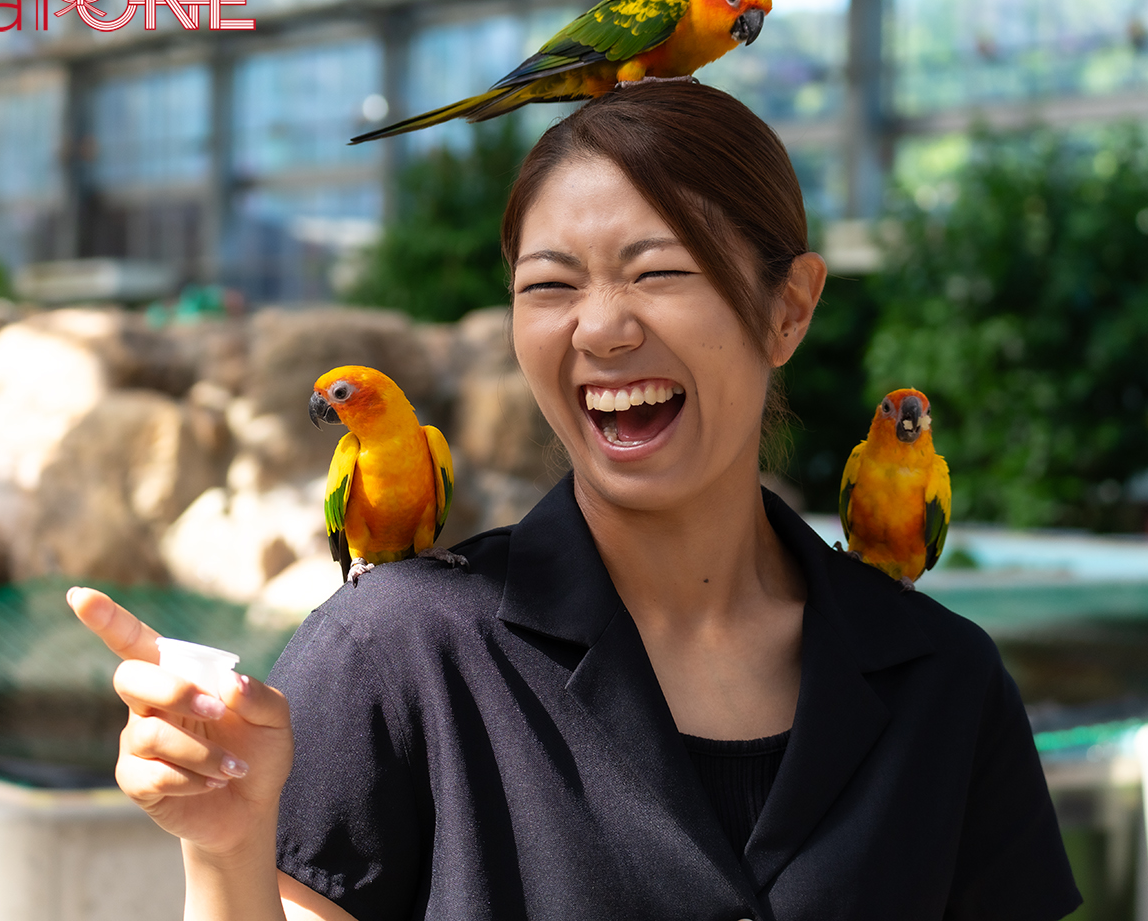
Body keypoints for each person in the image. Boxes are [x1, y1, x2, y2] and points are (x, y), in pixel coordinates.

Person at [69, 81, 1081, 921]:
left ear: (788, 307)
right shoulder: (389, 655)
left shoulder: (945, 682)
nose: (599, 329)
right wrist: (230, 853)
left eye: (659, 271)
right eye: (549, 286)